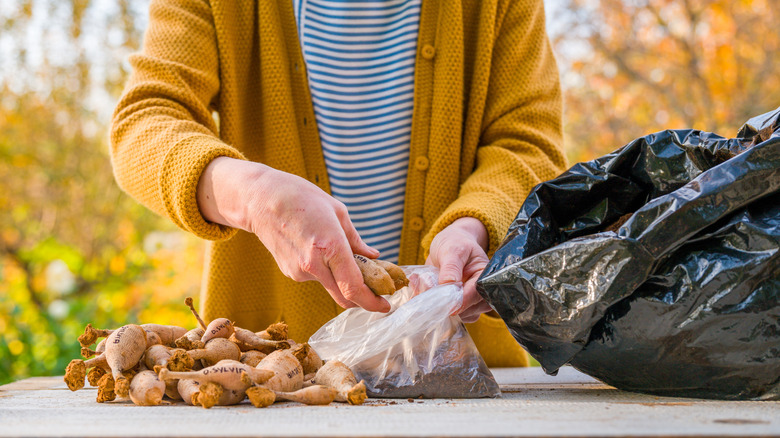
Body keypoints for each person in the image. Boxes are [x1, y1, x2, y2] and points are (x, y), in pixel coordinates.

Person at [110, 0, 566, 367]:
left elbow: (528, 143)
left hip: (463, 369)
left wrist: (474, 224)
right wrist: (252, 195)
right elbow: (144, 122)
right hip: (267, 375)